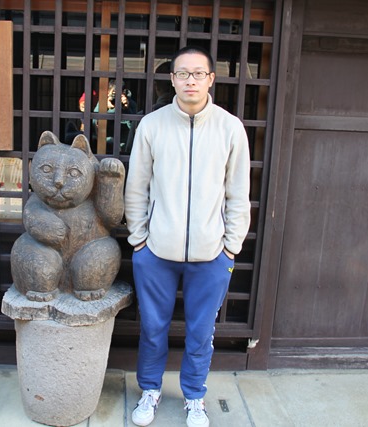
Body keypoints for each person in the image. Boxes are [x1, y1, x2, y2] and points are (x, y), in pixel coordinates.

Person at [124, 46, 251, 427]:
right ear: (172, 79)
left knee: (200, 332)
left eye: (198, 73)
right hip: (156, 252)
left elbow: (238, 193)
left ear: (210, 79)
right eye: (183, 73)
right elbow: (137, 187)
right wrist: (139, 240)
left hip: (212, 254)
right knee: (153, 329)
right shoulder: (152, 126)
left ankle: (195, 396)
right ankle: (150, 390)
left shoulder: (230, 128)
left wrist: (231, 247)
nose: (190, 80)